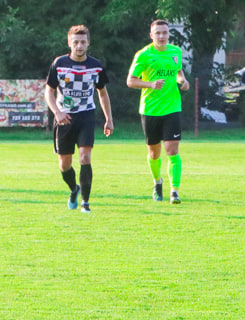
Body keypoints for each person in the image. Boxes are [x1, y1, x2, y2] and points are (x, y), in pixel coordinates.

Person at [44, 24, 114, 214]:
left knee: (85, 157)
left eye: (83, 42)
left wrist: (109, 119)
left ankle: (85, 202)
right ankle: (73, 189)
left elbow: (103, 94)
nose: (79, 46)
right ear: (69, 43)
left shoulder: (96, 66)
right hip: (64, 118)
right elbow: (48, 92)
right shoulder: (59, 64)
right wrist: (57, 112)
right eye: (76, 42)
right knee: (64, 165)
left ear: (88, 43)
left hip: (86, 116)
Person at [127, 19, 190, 204]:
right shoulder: (144, 55)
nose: (161, 36)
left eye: (164, 32)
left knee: (172, 150)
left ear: (169, 34)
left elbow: (178, 73)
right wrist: (150, 84)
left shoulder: (175, 52)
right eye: (158, 33)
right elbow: (130, 81)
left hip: (172, 108)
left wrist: (182, 81)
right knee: (154, 154)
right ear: (151, 35)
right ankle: (157, 182)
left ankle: (175, 191)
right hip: (150, 110)